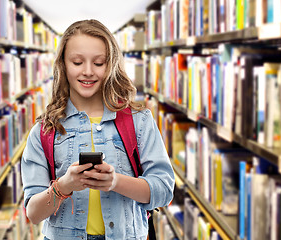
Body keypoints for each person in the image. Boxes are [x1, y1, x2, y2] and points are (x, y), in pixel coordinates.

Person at [21, 19, 175, 240]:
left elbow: (164, 190)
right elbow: (33, 213)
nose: (88, 71)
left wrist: (116, 182)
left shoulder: (139, 121)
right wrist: (64, 186)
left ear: (110, 65)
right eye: (77, 62)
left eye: (99, 63)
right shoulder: (44, 131)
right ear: (63, 65)